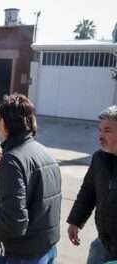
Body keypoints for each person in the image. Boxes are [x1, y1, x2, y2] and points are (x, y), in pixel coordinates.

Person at [0, 93, 62, 264]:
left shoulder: (13, 161)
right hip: (46, 249)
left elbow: (14, 222)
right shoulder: (44, 153)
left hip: (23, 254)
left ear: (5, 123)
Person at [67, 105, 117, 263]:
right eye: (100, 130)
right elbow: (88, 191)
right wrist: (76, 220)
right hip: (103, 243)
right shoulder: (99, 159)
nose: (101, 136)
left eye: (108, 131)